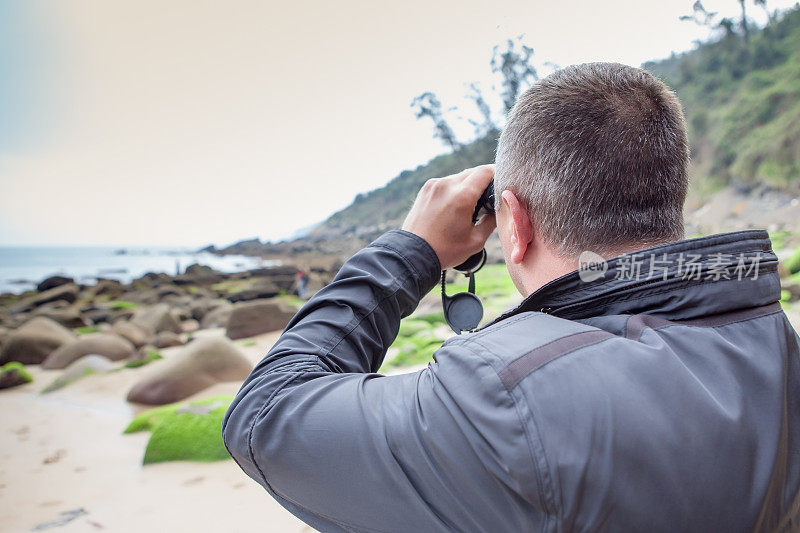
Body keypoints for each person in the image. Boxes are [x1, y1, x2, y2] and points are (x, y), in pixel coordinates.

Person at [223, 63, 800, 531]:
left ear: (514, 223)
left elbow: (263, 417)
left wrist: (411, 249)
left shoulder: (502, 397)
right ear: (671, 199)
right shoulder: (775, 341)